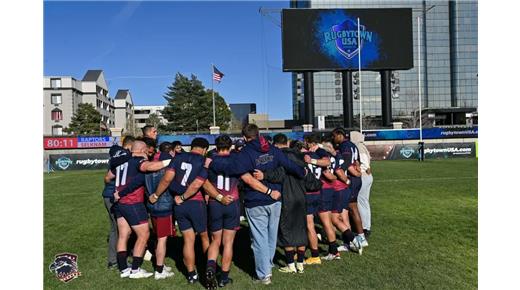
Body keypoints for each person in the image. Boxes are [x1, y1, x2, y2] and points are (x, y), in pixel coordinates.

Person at [208, 124, 305, 285]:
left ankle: (263, 275)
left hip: (256, 200)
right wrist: (302, 171)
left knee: (260, 239)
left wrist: (212, 163)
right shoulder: (273, 150)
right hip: (275, 200)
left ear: (245, 137)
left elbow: (232, 168)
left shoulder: (246, 153)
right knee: (271, 236)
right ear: (258, 133)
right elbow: (289, 165)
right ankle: (267, 265)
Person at [105, 140, 171, 279]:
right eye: (147, 151)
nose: (148, 154)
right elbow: (150, 167)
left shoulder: (121, 161)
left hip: (119, 203)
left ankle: (123, 269)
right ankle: (135, 270)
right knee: (144, 235)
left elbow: (108, 177)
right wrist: (170, 162)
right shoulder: (137, 161)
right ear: (142, 150)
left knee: (123, 235)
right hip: (132, 202)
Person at [151, 137, 211, 284]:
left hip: (179, 203)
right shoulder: (203, 161)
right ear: (204, 150)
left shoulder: (178, 158)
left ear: (191, 147)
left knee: (188, 240)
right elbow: (201, 184)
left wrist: (156, 194)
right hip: (195, 202)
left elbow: (166, 179)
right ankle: (209, 267)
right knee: (204, 236)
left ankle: (191, 274)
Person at [253, 133, 308, 274]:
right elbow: (309, 177)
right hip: (301, 196)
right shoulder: (300, 156)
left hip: (286, 196)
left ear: (276, 145)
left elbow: (279, 175)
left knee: (286, 230)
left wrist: (264, 175)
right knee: (301, 228)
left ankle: (290, 264)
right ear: (287, 142)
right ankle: (300, 263)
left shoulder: (279, 156)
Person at [302, 133, 341, 262]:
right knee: (325, 222)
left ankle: (316, 254)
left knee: (313, 224)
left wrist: (310, 160)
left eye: (305, 142)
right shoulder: (319, 152)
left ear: (309, 142)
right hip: (320, 190)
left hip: (315, 191)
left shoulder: (316, 152)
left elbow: (327, 161)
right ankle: (333, 250)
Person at [332, 128, 368, 254]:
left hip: (350, 180)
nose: (333, 138)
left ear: (340, 135)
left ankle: (359, 237)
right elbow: (357, 161)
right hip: (355, 179)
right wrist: (357, 171)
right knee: (349, 209)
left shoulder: (345, 146)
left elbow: (347, 162)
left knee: (351, 209)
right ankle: (354, 238)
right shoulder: (352, 145)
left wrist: (340, 170)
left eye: (334, 136)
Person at [102, 135, 135, 269]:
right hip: (113, 196)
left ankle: (118, 257)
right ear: (130, 145)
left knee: (117, 229)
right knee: (118, 230)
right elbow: (108, 177)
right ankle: (114, 260)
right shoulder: (123, 156)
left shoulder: (118, 155)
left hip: (109, 194)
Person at [320, 136, 357, 252]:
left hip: (337, 189)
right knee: (343, 216)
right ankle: (348, 242)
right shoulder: (339, 155)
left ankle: (352, 240)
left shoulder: (327, 158)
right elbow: (352, 166)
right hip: (344, 189)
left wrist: (344, 180)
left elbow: (336, 172)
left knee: (334, 219)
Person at [144, 145, 176, 280]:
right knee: (162, 239)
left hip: (152, 205)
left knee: (159, 237)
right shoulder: (168, 167)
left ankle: (160, 264)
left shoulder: (150, 166)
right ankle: (159, 270)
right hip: (163, 205)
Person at [350, 131, 373, 239]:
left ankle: (364, 227)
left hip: (363, 176)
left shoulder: (358, 147)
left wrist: (361, 172)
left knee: (360, 202)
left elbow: (365, 163)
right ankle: (366, 226)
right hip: (367, 176)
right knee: (364, 202)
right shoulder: (362, 146)